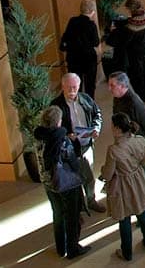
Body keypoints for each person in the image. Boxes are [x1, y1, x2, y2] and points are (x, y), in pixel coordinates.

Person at [34, 105, 90, 259]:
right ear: (58, 122)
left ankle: (61, 247)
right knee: (71, 216)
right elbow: (73, 162)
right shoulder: (61, 139)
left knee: (57, 213)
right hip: (66, 183)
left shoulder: (38, 137)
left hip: (48, 182)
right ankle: (73, 248)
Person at [100, 112, 145, 261]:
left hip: (122, 186)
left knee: (124, 218)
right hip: (139, 180)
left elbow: (108, 174)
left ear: (117, 129)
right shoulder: (140, 140)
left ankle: (127, 253)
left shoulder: (113, 150)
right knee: (142, 211)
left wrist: (102, 172)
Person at [51, 73, 105, 212]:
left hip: (86, 146)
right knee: (73, 179)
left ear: (79, 86)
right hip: (69, 149)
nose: (71, 91)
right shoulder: (56, 105)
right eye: (68, 88)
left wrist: (96, 128)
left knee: (88, 176)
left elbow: (96, 114)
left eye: (74, 87)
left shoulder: (85, 99)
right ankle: (78, 206)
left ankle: (91, 200)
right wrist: (67, 136)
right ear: (62, 86)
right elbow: (53, 129)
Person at [113, 0, 145, 101]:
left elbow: (126, 41)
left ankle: (141, 96)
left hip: (137, 51)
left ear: (132, 9)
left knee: (137, 73)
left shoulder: (133, 24)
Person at [59, 0, 100, 99]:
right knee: (90, 84)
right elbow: (96, 42)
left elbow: (66, 36)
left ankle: (76, 102)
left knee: (75, 83)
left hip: (73, 58)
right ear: (92, 11)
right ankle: (89, 102)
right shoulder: (91, 25)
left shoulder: (72, 21)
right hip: (88, 59)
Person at [108, 72, 145, 139]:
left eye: (112, 85)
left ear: (122, 86)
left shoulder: (133, 102)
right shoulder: (117, 96)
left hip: (134, 139)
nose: (109, 89)